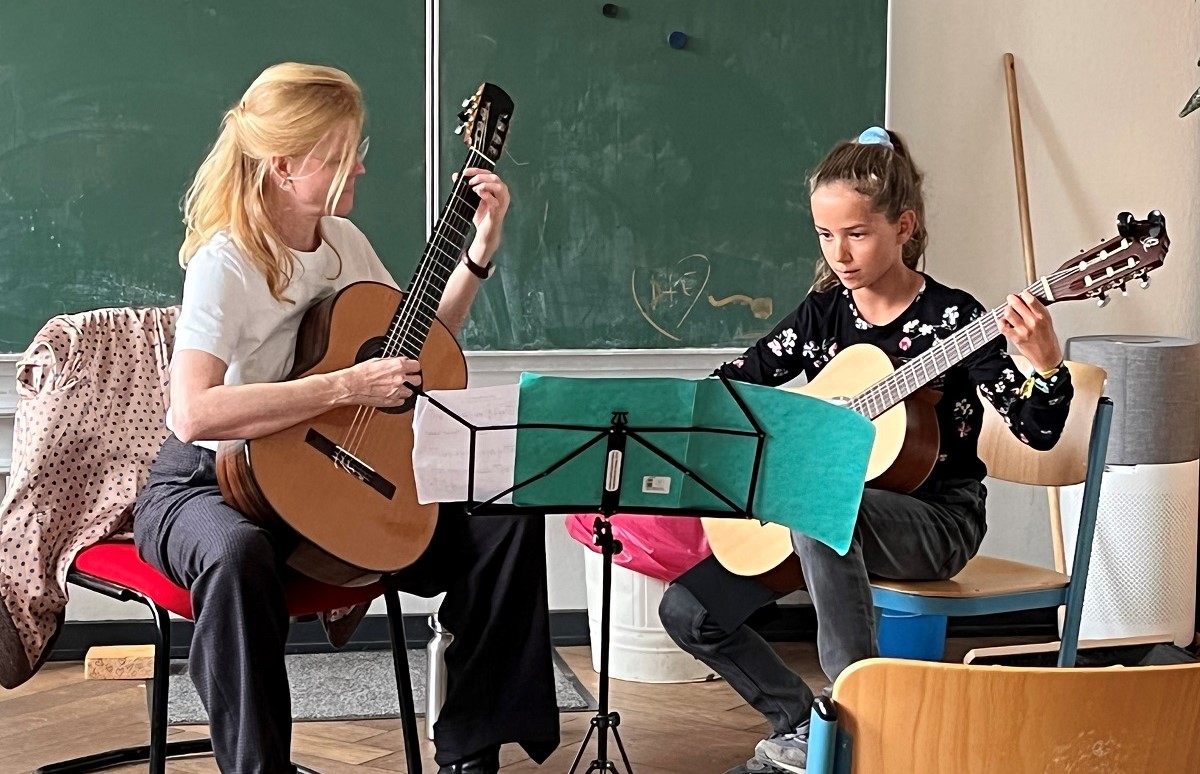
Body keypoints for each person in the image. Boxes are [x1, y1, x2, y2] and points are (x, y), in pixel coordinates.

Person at [132, 62, 558, 774]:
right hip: (210, 482)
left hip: (321, 477)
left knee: (505, 524)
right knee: (239, 555)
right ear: (283, 165)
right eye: (337, 156)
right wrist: (342, 387)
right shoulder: (226, 262)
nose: (357, 167)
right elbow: (193, 412)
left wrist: (479, 252)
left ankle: (470, 750)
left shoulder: (344, 243)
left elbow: (413, 345)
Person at [658, 127, 1074, 774]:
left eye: (856, 234)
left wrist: (1046, 366)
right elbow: (737, 384)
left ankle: (852, 722)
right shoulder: (825, 310)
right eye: (826, 236)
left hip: (937, 519)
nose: (840, 254)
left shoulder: (953, 321)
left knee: (825, 508)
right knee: (688, 611)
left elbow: (1036, 430)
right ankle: (801, 724)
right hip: (827, 521)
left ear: (903, 226)